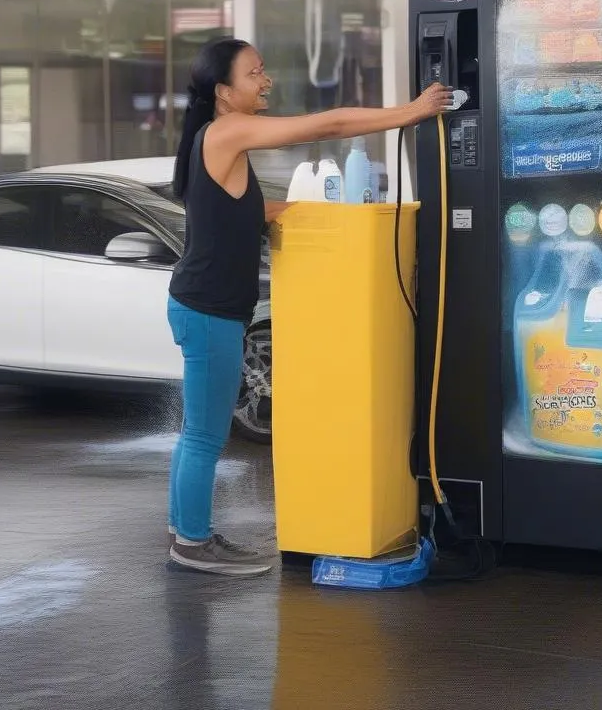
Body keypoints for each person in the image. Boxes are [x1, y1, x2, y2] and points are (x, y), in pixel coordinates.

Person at [165, 36, 451, 576]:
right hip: (207, 312)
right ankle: (192, 545)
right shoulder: (229, 132)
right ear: (225, 93)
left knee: (197, 432)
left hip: (203, 307)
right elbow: (328, 125)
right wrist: (410, 112)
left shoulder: (219, 139)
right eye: (255, 73)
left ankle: (186, 531)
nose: (265, 80)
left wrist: (300, 213)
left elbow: (244, 211)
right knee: (204, 434)